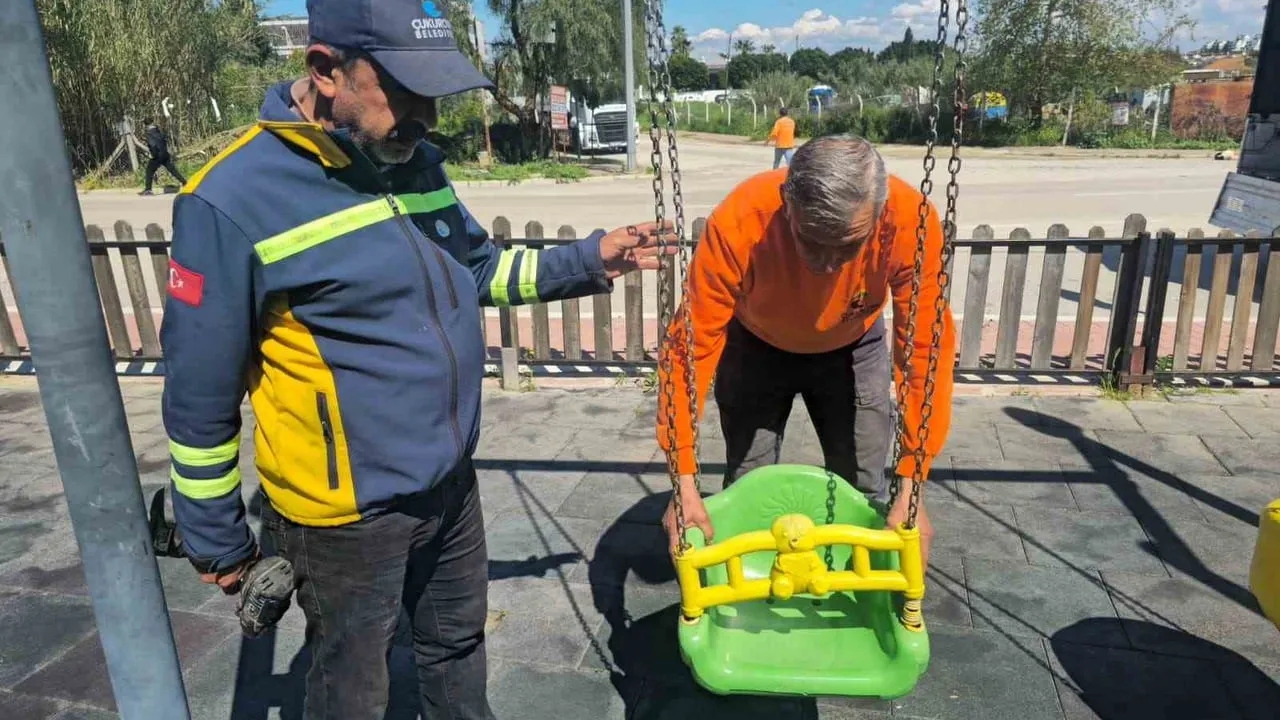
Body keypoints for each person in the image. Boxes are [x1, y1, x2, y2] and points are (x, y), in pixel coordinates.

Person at [159, 1, 673, 717]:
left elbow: (479, 270)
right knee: (353, 683)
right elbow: (198, 392)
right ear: (324, 72)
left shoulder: (416, 162)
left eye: (435, 92)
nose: (427, 116)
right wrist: (216, 536)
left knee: (456, 646)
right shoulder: (231, 198)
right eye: (405, 92)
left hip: (449, 484)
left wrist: (591, 259)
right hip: (342, 517)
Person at [656, 135, 955, 568]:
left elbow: (925, 353)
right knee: (749, 485)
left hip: (853, 344)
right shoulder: (742, 220)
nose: (830, 263)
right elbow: (688, 351)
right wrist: (682, 481)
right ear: (786, 202)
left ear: (879, 213)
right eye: (812, 241)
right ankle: (756, 594)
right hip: (756, 344)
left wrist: (913, 488)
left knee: (864, 487)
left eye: (849, 245)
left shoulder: (911, 223)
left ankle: (857, 591)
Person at [139, 117, 187, 195]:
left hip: (158, 155)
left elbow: (153, 145)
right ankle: (184, 182)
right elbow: (164, 140)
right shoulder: (158, 130)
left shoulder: (148, 133)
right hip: (165, 153)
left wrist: (154, 155)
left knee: (149, 170)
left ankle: (148, 190)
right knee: (172, 169)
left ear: (145, 125)